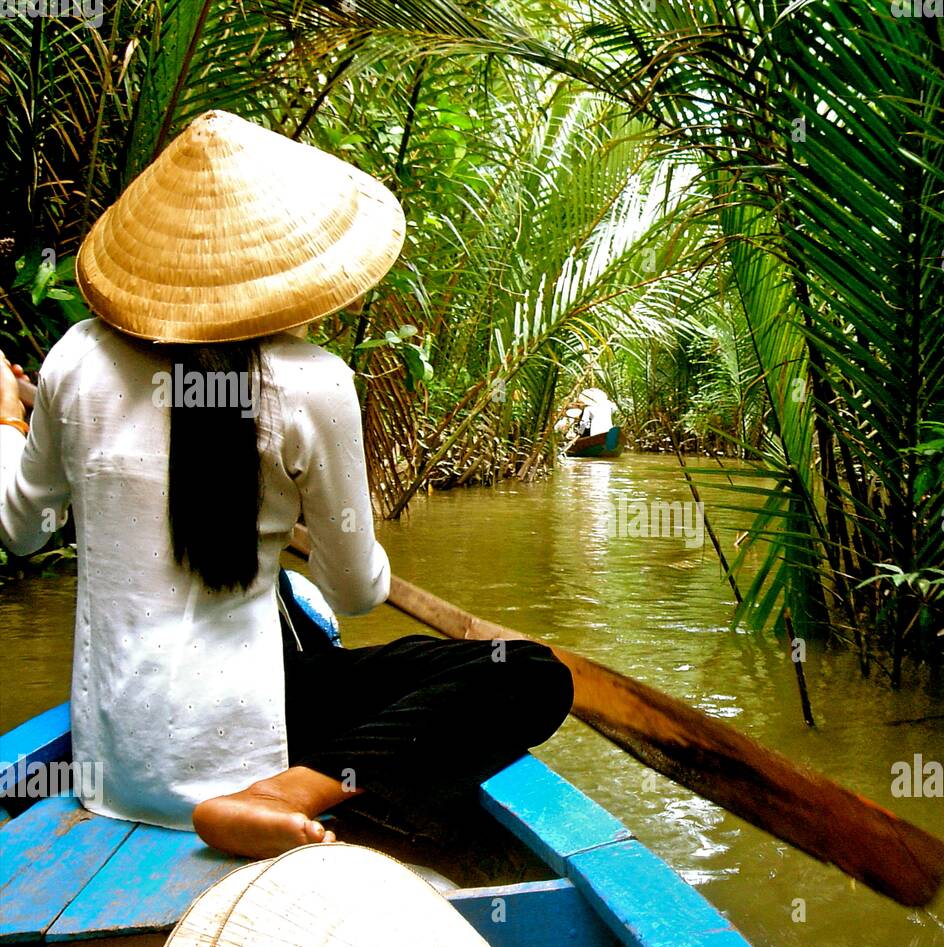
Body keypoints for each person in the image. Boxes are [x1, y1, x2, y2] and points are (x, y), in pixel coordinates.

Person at [0, 110, 573, 860]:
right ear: (276, 263)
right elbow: (356, 591)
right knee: (527, 670)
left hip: (118, 769)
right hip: (254, 745)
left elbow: (21, 529)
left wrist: (10, 422)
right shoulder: (311, 382)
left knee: (297, 626)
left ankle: (274, 790)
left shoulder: (74, 360)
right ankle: (291, 791)